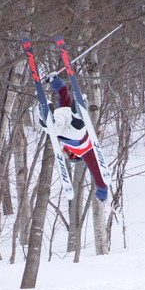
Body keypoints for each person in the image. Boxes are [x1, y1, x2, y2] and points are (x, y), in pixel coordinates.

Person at [40, 72, 108, 202]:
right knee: (77, 130)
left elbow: (63, 95)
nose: (65, 152)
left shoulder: (61, 139)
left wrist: (57, 83)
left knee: (52, 129)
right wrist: (102, 193)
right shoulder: (86, 152)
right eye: (69, 155)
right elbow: (98, 173)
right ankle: (78, 115)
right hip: (74, 129)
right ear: (75, 156)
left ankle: (45, 114)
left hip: (59, 121)